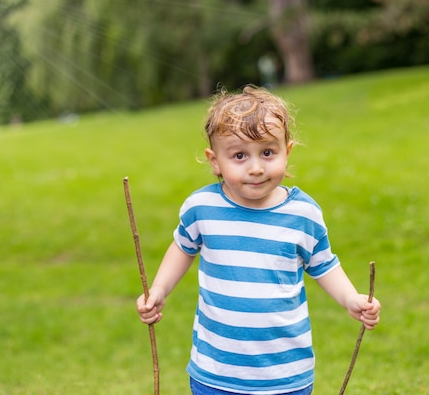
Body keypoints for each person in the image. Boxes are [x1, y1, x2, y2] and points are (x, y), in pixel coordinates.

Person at [136, 85, 381, 395]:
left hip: (285, 373)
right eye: (239, 156)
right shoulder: (202, 209)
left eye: (267, 152)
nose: (255, 168)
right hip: (216, 371)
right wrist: (158, 289)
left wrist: (351, 299)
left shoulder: (303, 213)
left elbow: (324, 264)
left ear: (287, 151)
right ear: (215, 161)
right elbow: (182, 249)